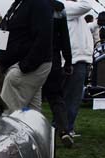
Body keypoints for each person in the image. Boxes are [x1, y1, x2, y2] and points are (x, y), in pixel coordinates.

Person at [0, 0, 53, 112]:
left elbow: (43, 38)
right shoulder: (18, 5)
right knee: (32, 115)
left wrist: (24, 67)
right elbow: (5, 31)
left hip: (26, 68)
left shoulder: (38, 4)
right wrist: (0, 57)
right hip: (20, 67)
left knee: (9, 115)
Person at [42, 0, 73, 147]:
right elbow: (65, 36)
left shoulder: (26, 5)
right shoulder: (58, 8)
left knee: (30, 97)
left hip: (30, 56)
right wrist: (68, 60)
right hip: (52, 57)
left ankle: (34, 132)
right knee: (56, 97)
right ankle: (64, 130)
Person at [63, 0, 93, 137]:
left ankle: (62, 126)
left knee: (68, 97)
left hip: (77, 59)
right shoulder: (65, 5)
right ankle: (66, 128)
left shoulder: (73, 11)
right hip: (74, 60)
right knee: (72, 97)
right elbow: (87, 5)